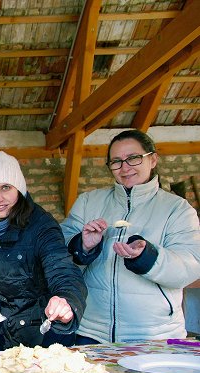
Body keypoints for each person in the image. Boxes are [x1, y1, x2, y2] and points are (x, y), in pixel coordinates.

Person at [60, 130, 200, 344]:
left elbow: (190, 267)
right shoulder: (89, 202)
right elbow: (58, 254)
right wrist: (83, 246)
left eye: (133, 158)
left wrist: (147, 257)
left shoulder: (177, 209)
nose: (125, 168)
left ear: (152, 159)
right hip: (91, 331)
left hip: (156, 335)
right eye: (116, 161)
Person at [0, 152, 87, 351]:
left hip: (42, 336)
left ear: (20, 188)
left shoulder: (41, 225)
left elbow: (63, 269)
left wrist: (66, 302)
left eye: (5, 187)